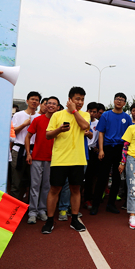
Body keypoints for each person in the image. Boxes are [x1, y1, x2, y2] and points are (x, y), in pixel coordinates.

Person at [43, 87, 90, 233]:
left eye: (82, 99)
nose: (80, 102)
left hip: (78, 159)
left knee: (75, 189)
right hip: (60, 160)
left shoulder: (84, 115)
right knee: (54, 189)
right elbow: (48, 135)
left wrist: (74, 111)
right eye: (77, 99)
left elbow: (85, 126)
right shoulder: (57, 115)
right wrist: (59, 130)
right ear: (70, 99)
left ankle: (74, 219)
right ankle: (50, 220)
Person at [91, 93, 132, 215]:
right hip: (107, 148)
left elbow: (129, 137)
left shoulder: (127, 118)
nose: (119, 101)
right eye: (117, 99)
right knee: (102, 177)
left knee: (117, 178)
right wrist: (101, 150)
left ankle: (111, 204)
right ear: (114, 101)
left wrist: (125, 154)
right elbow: (101, 133)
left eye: (122, 100)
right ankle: (95, 204)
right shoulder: (106, 115)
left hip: (120, 149)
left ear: (125, 103)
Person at [25, 96, 60, 224]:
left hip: (53, 159)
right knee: (34, 186)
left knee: (47, 186)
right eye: (48, 103)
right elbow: (28, 137)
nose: (50, 105)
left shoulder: (59, 122)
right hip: (37, 157)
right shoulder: (38, 120)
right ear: (45, 105)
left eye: (54, 104)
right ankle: (32, 212)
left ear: (58, 107)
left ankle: (42, 210)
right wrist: (28, 154)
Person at [10, 91, 41, 201]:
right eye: (32, 99)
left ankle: (28, 205)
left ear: (39, 103)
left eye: (37, 100)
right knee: (16, 181)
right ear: (27, 101)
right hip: (18, 150)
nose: (34, 101)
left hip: (34, 151)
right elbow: (12, 132)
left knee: (32, 182)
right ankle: (13, 205)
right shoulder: (18, 115)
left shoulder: (39, 117)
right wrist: (24, 125)